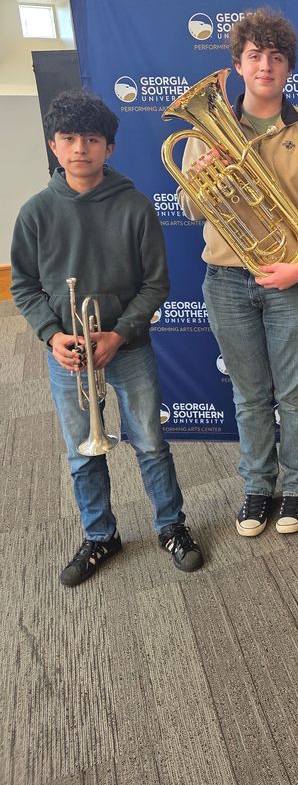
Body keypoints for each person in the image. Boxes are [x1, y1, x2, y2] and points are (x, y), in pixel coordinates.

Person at [11, 90, 203, 586]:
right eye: (69, 139)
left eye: (92, 139)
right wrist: (52, 336)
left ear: (109, 148)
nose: (80, 148)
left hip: (126, 346)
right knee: (82, 449)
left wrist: (119, 333)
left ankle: (170, 525)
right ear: (54, 146)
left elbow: (156, 284)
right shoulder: (35, 213)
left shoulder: (135, 205)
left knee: (150, 441)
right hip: (68, 355)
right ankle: (100, 534)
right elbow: (24, 287)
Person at [179, 9, 298, 536]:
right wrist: (201, 174)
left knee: (295, 394)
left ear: (288, 69)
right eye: (254, 56)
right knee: (248, 393)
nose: (265, 65)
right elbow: (191, 211)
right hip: (227, 280)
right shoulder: (203, 130)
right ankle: (258, 487)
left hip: (294, 281)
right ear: (237, 65)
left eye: (275, 57)